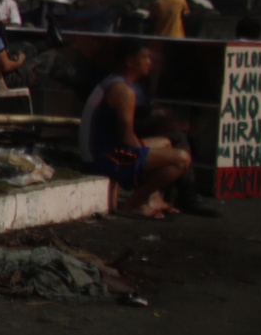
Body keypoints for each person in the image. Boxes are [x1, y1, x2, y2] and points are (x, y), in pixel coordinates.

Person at [81, 38, 192, 218]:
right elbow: (126, 138)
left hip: (100, 151)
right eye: (146, 57)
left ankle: (153, 198)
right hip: (103, 157)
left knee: (165, 143)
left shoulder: (114, 82)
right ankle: (135, 203)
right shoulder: (123, 90)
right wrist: (145, 154)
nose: (150, 62)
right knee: (181, 159)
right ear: (130, 61)